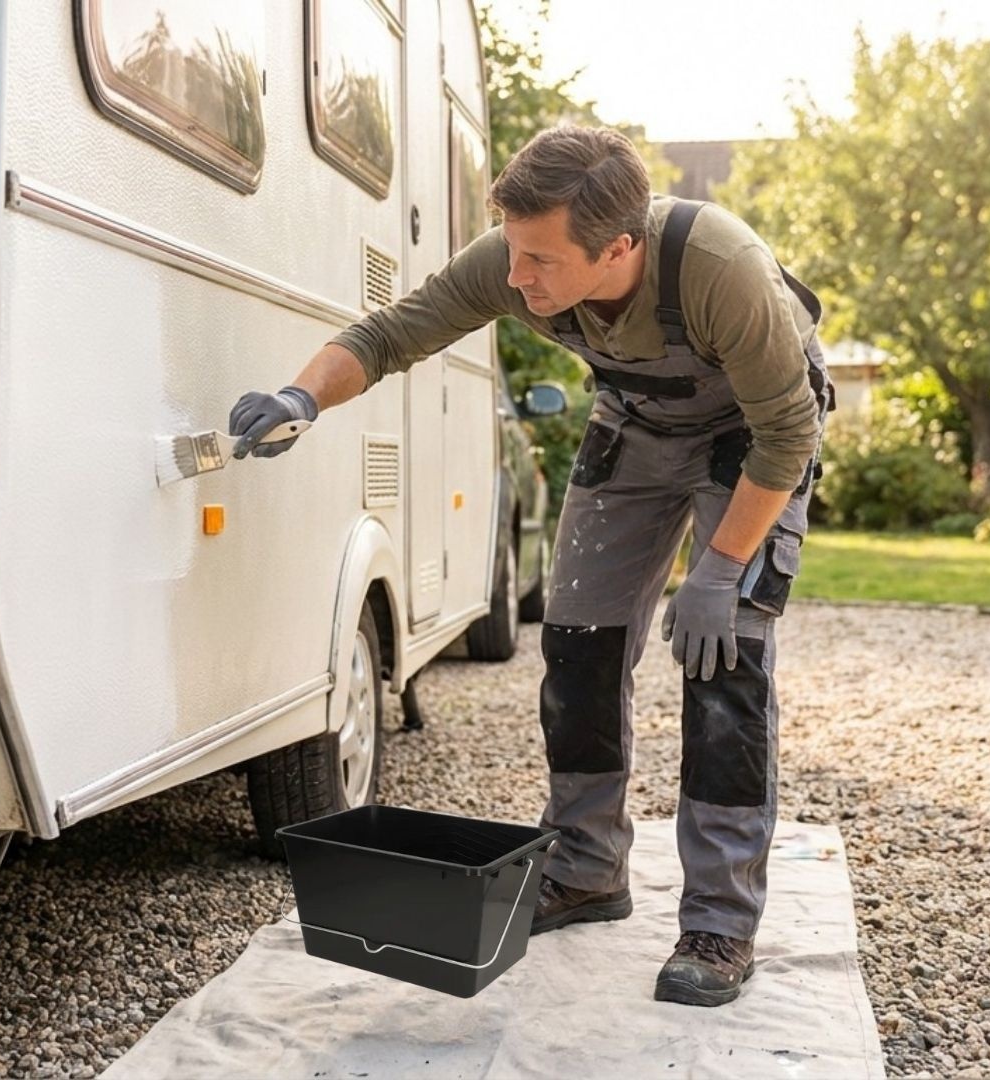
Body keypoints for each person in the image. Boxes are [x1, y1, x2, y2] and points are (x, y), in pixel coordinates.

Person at [229, 125, 830, 1007]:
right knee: (579, 645)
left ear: (618, 248)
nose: (517, 278)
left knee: (724, 661)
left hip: (755, 436)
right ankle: (586, 869)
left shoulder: (718, 267)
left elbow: (788, 433)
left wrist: (719, 569)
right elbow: (395, 333)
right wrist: (302, 395)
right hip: (636, 424)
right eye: (514, 251)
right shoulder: (516, 256)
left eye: (540, 260)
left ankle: (720, 922)